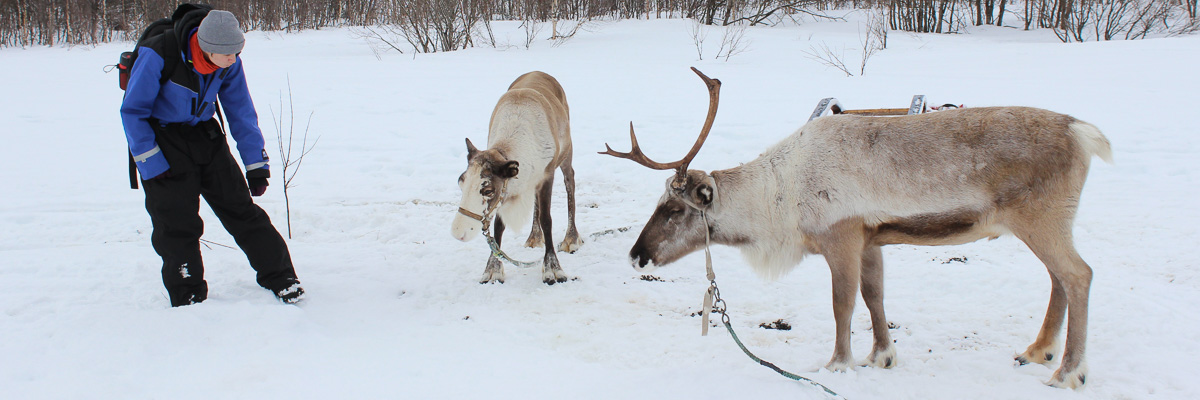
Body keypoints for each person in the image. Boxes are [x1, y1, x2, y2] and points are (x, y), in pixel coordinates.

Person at [120, 6, 303, 307]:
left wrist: (256, 164)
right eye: (228, 54)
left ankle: (282, 277)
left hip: (205, 134)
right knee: (177, 222)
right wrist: (151, 162)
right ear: (206, 49)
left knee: (242, 211)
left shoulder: (228, 61)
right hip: (162, 139)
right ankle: (187, 293)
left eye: (237, 52)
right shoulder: (158, 55)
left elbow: (240, 110)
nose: (233, 60)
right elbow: (132, 112)